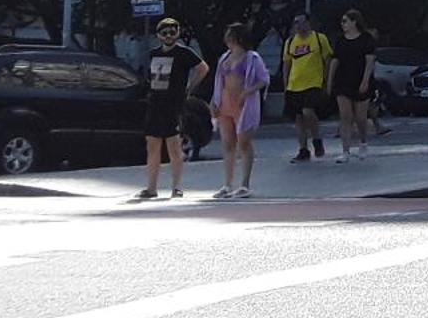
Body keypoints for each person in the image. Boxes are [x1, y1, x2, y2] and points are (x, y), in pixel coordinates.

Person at [135, 17, 209, 201]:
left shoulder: (184, 53)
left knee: (174, 146)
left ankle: (177, 187)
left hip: (174, 104)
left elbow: (202, 68)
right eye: (164, 32)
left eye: (172, 32)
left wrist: (189, 88)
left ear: (177, 33)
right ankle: (151, 188)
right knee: (152, 145)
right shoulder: (153, 53)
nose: (168, 36)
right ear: (158, 35)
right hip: (155, 102)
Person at [210, 23, 270, 199]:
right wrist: (214, 101)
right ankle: (227, 184)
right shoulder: (224, 58)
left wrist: (248, 91)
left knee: (243, 142)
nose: (227, 38)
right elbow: (218, 81)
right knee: (228, 144)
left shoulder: (252, 58)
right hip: (225, 102)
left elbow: (263, 79)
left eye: (230, 35)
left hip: (243, 104)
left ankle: (245, 183)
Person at [280, 13, 333, 163]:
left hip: (313, 82)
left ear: (309, 23)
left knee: (308, 111)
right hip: (294, 84)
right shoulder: (290, 42)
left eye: (301, 22)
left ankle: (316, 139)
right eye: (296, 23)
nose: (298, 26)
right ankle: (303, 149)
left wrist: (326, 80)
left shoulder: (319, 39)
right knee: (298, 118)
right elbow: (287, 64)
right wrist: (286, 84)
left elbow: (328, 60)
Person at [328, 9, 378, 163]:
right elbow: (335, 60)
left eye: (345, 21)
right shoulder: (341, 40)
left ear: (354, 21)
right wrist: (329, 80)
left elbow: (370, 61)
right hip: (343, 81)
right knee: (345, 116)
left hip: (360, 79)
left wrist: (365, 80)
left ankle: (363, 143)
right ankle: (345, 150)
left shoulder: (366, 39)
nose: (343, 24)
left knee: (361, 117)